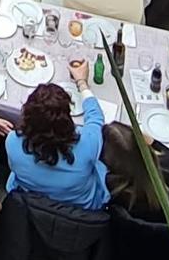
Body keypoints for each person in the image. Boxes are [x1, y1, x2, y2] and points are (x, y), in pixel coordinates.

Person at [6, 67, 109, 208]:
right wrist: (82, 82)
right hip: (80, 210)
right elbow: (96, 118)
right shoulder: (87, 143)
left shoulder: (12, 141)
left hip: (32, 202)